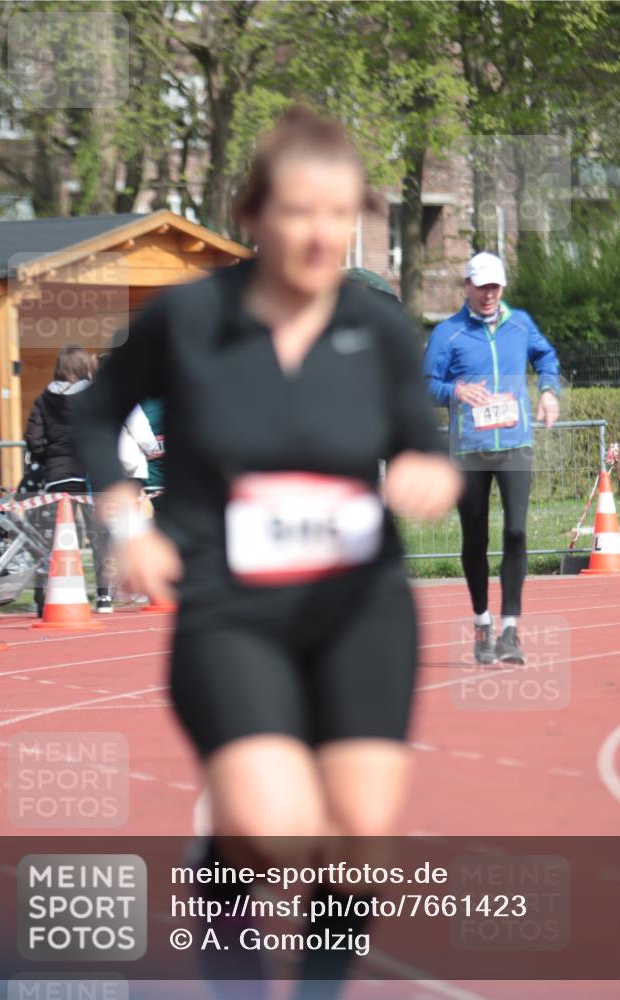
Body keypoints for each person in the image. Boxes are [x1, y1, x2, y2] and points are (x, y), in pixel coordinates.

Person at [74, 105, 461, 1000]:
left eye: (338, 213)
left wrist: (425, 473)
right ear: (253, 215)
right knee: (278, 833)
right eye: (298, 211)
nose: (320, 234)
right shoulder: (189, 318)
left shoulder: (377, 327)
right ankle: (220, 872)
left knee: (357, 840)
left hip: (360, 604)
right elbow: (97, 412)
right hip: (231, 608)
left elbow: (419, 442)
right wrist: (126, 517)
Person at [424, 251, 560, 664]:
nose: (488, 294)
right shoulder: (447, 334)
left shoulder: (520, 323)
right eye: (481, 286)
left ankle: (510, 631)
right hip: (470, 451)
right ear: (466, 286)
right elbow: (425, 384)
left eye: (495, 287)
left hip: (515, 444)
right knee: (476, 538)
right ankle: (482, 622)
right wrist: (455, 392)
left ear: (503, 288)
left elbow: (546, 356)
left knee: (517, 532)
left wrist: (549, 390)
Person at [24, 345, 113, 613]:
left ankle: (51, 593)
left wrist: (48, 454)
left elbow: (33, 439)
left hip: (57, 474)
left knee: (57, 536)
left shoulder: (42, 399)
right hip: (89, 471)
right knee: (98, 534)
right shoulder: (94, 395)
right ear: (83, 366)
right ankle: (104, 596)